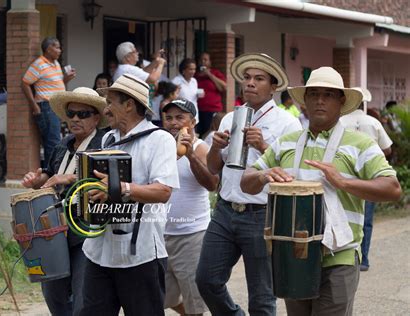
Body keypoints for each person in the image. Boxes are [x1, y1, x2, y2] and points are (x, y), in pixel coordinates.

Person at [241, 67, 402, 316]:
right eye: (313, 94)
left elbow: (393, 188)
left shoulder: (360, 144)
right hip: (293, 253)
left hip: (339, 255)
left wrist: (343, 182)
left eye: (328, 95)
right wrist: (263, 175)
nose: (319, 100)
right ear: (304, 101)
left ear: (341, 102)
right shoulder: (286, 142)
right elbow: (247, 181)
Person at [195, 53, 302, 315]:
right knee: (206, 280)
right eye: (247, 77)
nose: (250, 83)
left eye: (259, 78)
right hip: (225, 210)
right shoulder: (231, 118)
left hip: (262, 214)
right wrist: (216, 147)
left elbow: (293, 173)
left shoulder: (288, 123)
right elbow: (213, 167)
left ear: (273, 87)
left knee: (262, 296)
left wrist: (263, 146)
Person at [80, 74, 180, 315]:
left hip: (141, 253)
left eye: (111, 102)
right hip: (100, 249)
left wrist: (120, 188)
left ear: (129, 105)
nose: (106, 110)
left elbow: (163, 191)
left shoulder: (160, 140)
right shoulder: (109, 138)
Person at [21, 87, 107, 315]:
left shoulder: (104, 143)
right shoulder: (62, 145)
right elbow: (48, 175)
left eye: (83, 114)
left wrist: (69, 177)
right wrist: (36, 179)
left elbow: (106, 176)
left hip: (86, 231)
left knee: (83, 297)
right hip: (56, 230)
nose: (76, 119)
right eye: (71, 114)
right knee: (53, 293)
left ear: (97, 117)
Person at [162, 99, 219, 316]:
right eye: (169, 118)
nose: (173, 123)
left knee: (195, 300)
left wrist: (190, 155)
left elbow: (212, 184)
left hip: (192, 235)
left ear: (192, 121)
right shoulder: (161, 146)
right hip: (161, 233)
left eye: (180, 117)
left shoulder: (201, 148)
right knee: (164, 297)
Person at [340, 87, 393, 272]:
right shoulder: (373, 122)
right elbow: (387, 149)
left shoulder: (339, 121)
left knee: (344, 215)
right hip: (369, 177)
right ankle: (363, 259)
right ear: (364, 102)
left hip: (344, 176)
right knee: (366, 220)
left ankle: (345, 256)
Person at [22, 37, 76, 165]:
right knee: (53, 142)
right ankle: (51, 175)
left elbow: (56, 85)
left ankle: (52, 174)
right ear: (48, 49)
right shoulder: (39, 64)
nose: (60, 50)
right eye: (56, 47)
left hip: (56, 107)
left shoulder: (56, 64)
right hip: (46, 107)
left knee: (55, 141)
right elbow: (25, 83)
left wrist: (66, 79)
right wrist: (34, 106)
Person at [195, 52, 227, 137]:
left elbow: (223, 87)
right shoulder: (195, 75)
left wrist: (209, 74)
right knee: (200, 133)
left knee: (210, 133)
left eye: (205, 60)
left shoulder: (215, 72)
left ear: (210, 62)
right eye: (201, 60)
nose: (203, 62)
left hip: (212, 109)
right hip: (199, 109)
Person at [172, 58, 200, 123]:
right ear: (183, 70)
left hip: (193, 114)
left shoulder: (194, 81)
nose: (193, 71)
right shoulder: (176, 81)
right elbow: (171, 97)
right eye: (191, 69)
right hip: (181, 114)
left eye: (194, 69)